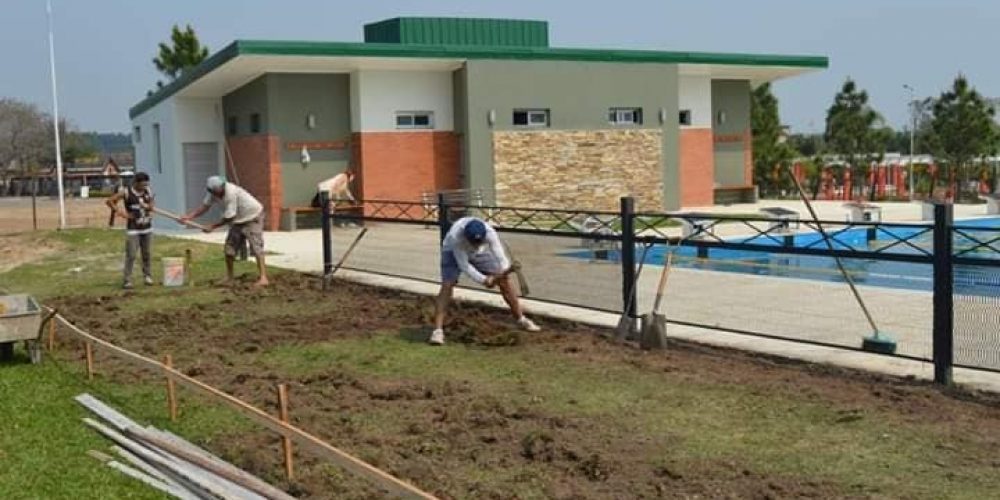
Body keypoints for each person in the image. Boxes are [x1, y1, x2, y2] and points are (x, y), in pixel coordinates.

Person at [431, 217, 540, 345]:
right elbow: (464, 266)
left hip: (479, 254)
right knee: (448, 285)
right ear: (466, 237)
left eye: (479, 242)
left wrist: (502, 273)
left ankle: (521, 319)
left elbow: (501, 257)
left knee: (504, 281)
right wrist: (483, 280)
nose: (476, 245)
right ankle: (437, 331)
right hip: (451, 252)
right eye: (473, 242)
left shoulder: (489, 233)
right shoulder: (456, 238)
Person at [181, 176, 269, 287]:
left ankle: (263, 277)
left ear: (222, 186)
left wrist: (213, 226)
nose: (214, 193)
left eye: (217, 190)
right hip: (238, 219)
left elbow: (229, 218)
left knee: (256, 247)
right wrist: (189, 217)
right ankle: (230, 277)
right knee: (229, 249)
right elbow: (205, 207)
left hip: (252, 216)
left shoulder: (230, 193)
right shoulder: (213, 192)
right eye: (212, 191)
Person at [106, 172, 154, 289]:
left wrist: (148, 207)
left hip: (146, 227)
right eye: (142, 185)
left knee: (146, 253)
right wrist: (122, 213)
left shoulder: (148, 191)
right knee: (131, 254)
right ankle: (127, 280)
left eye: (146, 184)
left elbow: (152, 205)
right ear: (136, 183)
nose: (144, 187)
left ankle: (147, 276)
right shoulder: (127, 192)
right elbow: (110, 201)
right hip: (133, 228)